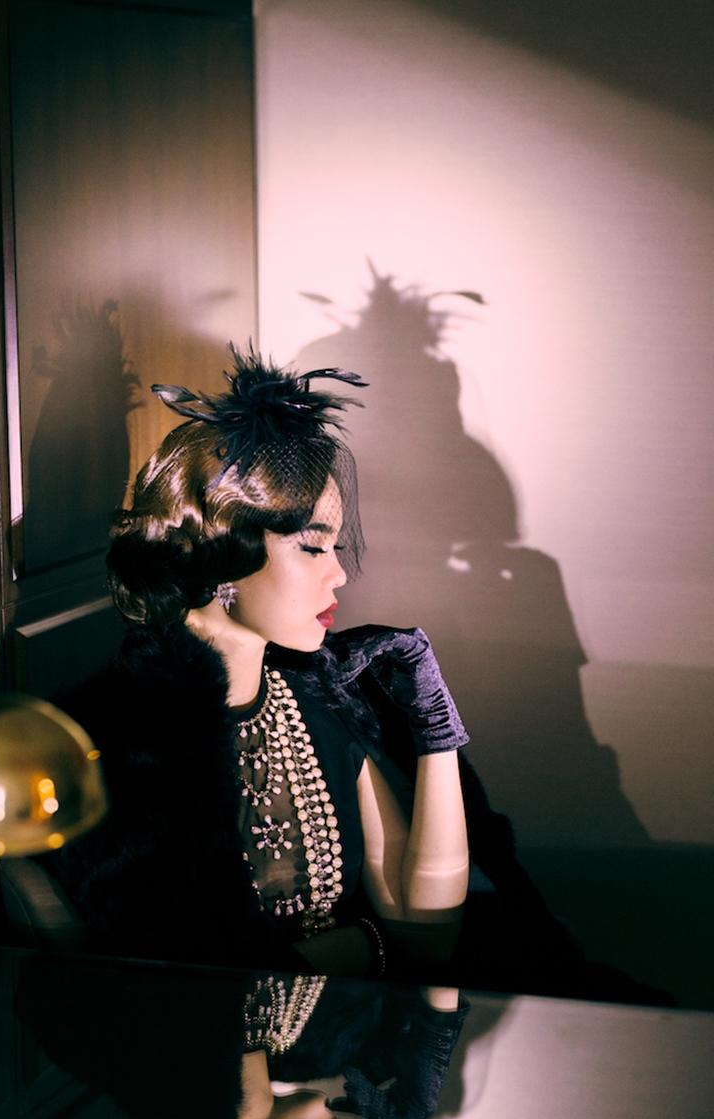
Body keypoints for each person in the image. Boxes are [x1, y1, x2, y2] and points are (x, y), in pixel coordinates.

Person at [41, 345, 470, 979]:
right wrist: (357, 947)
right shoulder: (122, 743)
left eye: (336, 547)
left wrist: (435, 729)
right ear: (226, 554)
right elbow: (182, 984)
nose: (340, 575)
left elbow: (426, 934)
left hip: (342, 1038)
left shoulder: (320, 708)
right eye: (312, 548)